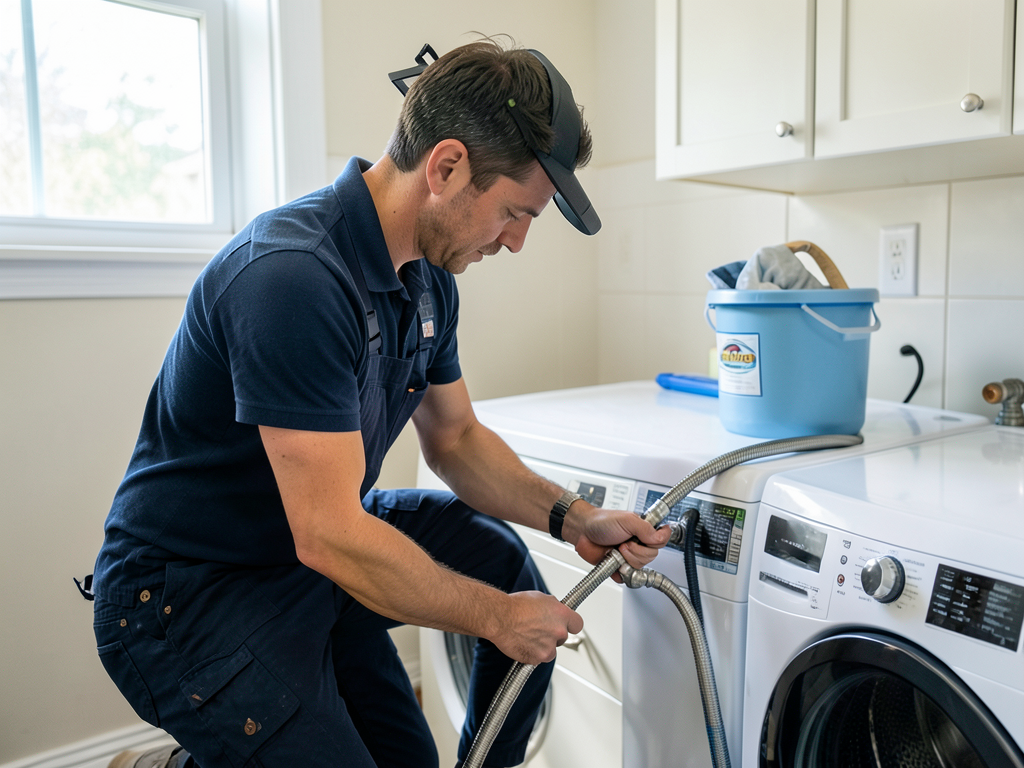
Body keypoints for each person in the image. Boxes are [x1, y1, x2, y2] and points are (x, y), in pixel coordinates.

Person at [92, 38, 669, 768]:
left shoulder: (430, 280)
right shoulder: (292, 278)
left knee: (495, 559)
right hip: (189, 595)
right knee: (492, 600)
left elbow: (455, 439)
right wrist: (498, 620)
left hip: (305, 559)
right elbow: (329, 532)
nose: (518, 242)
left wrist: (575, 517)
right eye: (514, 212)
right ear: (448, 166)